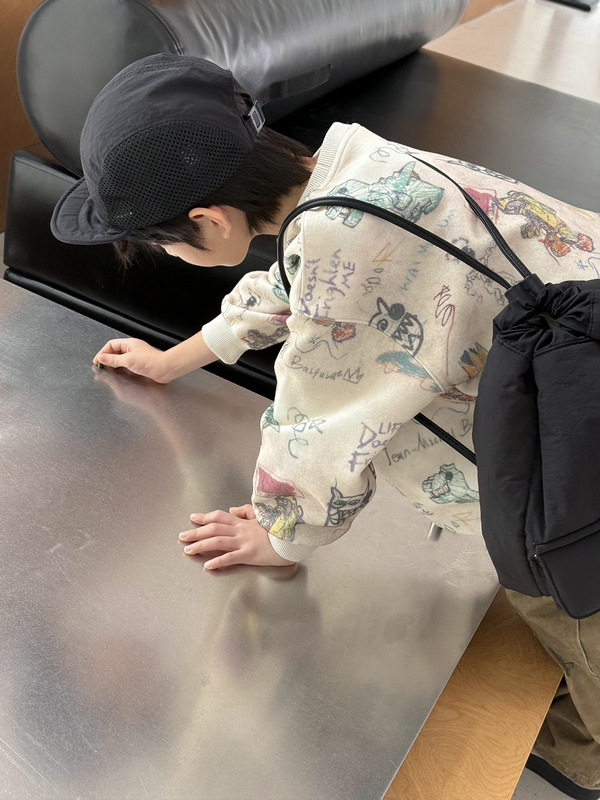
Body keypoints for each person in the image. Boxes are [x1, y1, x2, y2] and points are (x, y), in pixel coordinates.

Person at [51, 53, 600, 799]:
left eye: (163, 243)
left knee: (585, 665)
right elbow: (295, 284)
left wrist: (281, 536)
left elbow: (318, 422)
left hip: (572, 502)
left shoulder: (348, 245)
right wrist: (175, 359)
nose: (170, 255)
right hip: (576, 392)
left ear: (208, 220)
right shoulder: (355, 178)